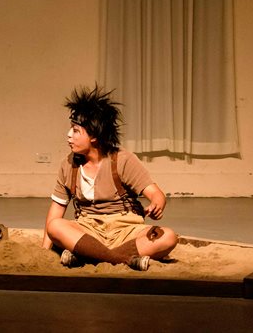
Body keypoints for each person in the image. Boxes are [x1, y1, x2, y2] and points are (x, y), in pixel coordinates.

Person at [42, 85, 177, 270]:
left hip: (125, 229)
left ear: (94, 137)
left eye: (75, 130)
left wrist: (157, 204)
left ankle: (88, 256)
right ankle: (124, 259)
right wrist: (44, 251)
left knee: (168, 237)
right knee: (55, 226)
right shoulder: (69, 164)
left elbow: (155, 193)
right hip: (88, 230)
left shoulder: (122, 159)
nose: (69, 135)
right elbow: (56, 209)